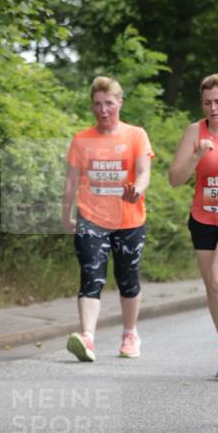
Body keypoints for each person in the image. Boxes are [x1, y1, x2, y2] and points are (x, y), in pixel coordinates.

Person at [62, 76, 153, 362]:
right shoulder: (81, 140)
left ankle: (130, 334)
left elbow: (144, 172)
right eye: (98, 104)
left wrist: (136, 191)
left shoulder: (135, 135)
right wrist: (66, 216)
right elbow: (71, 182)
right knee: (91, 276)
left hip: (129, 220)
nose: (103, 110)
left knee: (127, 279)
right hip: (91, 219)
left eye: (109, 104)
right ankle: (87, 337)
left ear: (120, 103)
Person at [168, 74, 218, 379]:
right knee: (213, 289)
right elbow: (175, 179)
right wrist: (197, 154)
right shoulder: (194, 132)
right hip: (203, 218)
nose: (213, 108)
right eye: (207, 102)